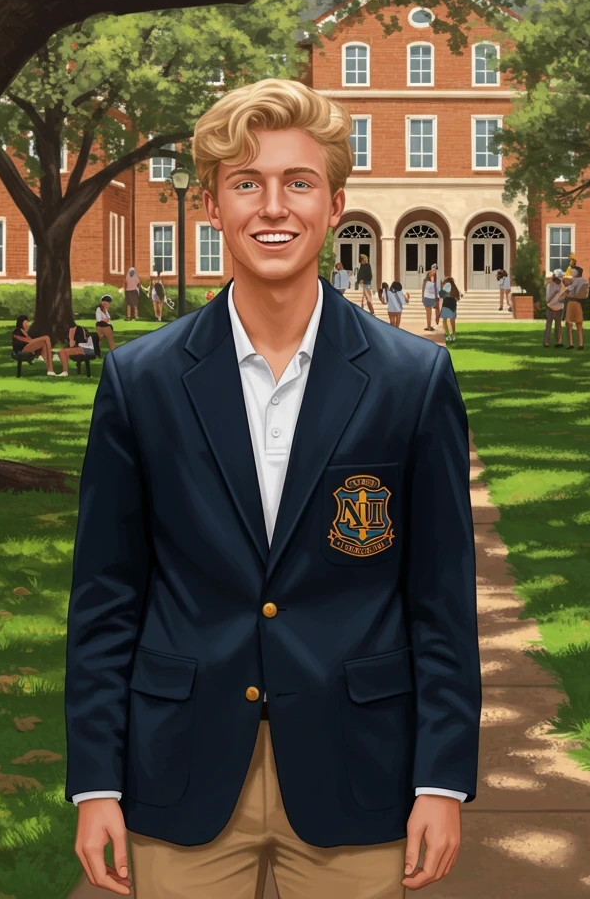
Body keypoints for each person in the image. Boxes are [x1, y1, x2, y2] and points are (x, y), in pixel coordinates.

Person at [65, 78, 480, 899]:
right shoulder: (140, 381)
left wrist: (441, 778)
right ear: (212, 207)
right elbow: (107, 595)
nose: (274, 207)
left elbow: (440, 597)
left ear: (335, 205)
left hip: (358, 766)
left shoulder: (413, 380)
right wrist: (95, 783)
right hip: (178, 765)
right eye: (246, 184)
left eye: (298, 182)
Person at [562, 266, 588, 350]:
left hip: (572, 303)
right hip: (579, 304)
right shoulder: (585, 281)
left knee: (569, 323)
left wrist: (566, 286)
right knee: (578, 323)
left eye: (573, 271)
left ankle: (571, 343)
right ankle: (581, 344)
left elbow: (568, 289)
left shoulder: (576, 281)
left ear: (577, 272)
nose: (571, 273)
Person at [543, 270, 565, 347]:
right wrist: (555, 294)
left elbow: (563, 295)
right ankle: (546, 342)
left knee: (558, 325)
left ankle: (559, 342)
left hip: (559, 307)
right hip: (550, 307)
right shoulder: (550, 285)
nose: (561, 278)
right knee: (549, 325)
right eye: (560, 277)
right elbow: (548, 299)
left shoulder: (561, 284)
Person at [440, 277, 460, 344]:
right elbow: (457, 298)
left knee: (444, 320)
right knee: (452, 320)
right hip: (453, 305)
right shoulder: (455, 288)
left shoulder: (446, 286)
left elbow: (442, 296)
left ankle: (447, 333)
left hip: (446, 304)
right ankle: (453, 334)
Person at [421, 266, 439, 332]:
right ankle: (429, 326)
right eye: (431, 274)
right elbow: (423, 290)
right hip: (428, 298)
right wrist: (422, 298)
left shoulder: (432, 282)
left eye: (433, 274)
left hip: (430, 298)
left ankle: (429, 326)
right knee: (429, 313)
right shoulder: (426, 281)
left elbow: (435, 290)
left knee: (430, 313)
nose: (432, 275)